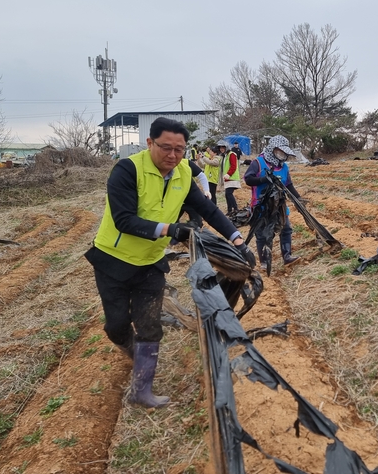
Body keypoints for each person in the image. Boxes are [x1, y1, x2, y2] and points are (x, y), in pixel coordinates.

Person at [84, 117, 256, 409]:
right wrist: (170, 229)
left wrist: (238, 241)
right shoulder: (127, 170)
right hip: (113, 261)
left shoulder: (182, 175)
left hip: (151, 263)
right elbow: (124, 219)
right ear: (150, 143)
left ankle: (142, 390)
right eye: (166, 148)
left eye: (180, 149)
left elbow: (209, 210)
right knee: (116, 326)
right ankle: (130, 348)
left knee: (150, 326)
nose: (173, 155)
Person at [244, 135, 302, 270]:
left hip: (279, 206)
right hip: (261, 205)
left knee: (286, 228)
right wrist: (264, 179)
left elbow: (289, 185)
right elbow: (248, 179)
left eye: (284, 152)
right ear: (272, 149)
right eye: (280, 151)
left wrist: (299, 199)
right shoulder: (258, 162)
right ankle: (264, 262)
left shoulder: (284, 167)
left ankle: (287, 256)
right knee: (262, 234)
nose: (282, 154)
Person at [217, 141, 240, 216]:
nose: (221, 149)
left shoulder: (232, 154)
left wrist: (228, 174)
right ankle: (230, 210)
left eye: (223, 147)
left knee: (229, 193)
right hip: (228, 178)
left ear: (226, 147)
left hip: (232, 178)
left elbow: (233, 166)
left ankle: (236, 209)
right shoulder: (225, 155)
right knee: (227, 194)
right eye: (220, 147)